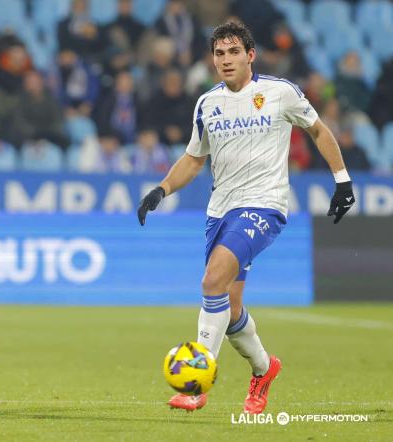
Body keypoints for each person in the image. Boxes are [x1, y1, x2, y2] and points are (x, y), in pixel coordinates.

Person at [137, 22, 355, 414]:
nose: (225, 60)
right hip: (220, 210)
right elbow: (193, 158)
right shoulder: (207, 103)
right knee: (230, 306)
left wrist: (342, 180)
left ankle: (196, 383)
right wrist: (161, 190)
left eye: (233, 51)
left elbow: (318, 130)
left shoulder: (279, 92)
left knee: (212, 278)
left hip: (265, 204)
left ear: (250, 55)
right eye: (219, 53)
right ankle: (264, 368)